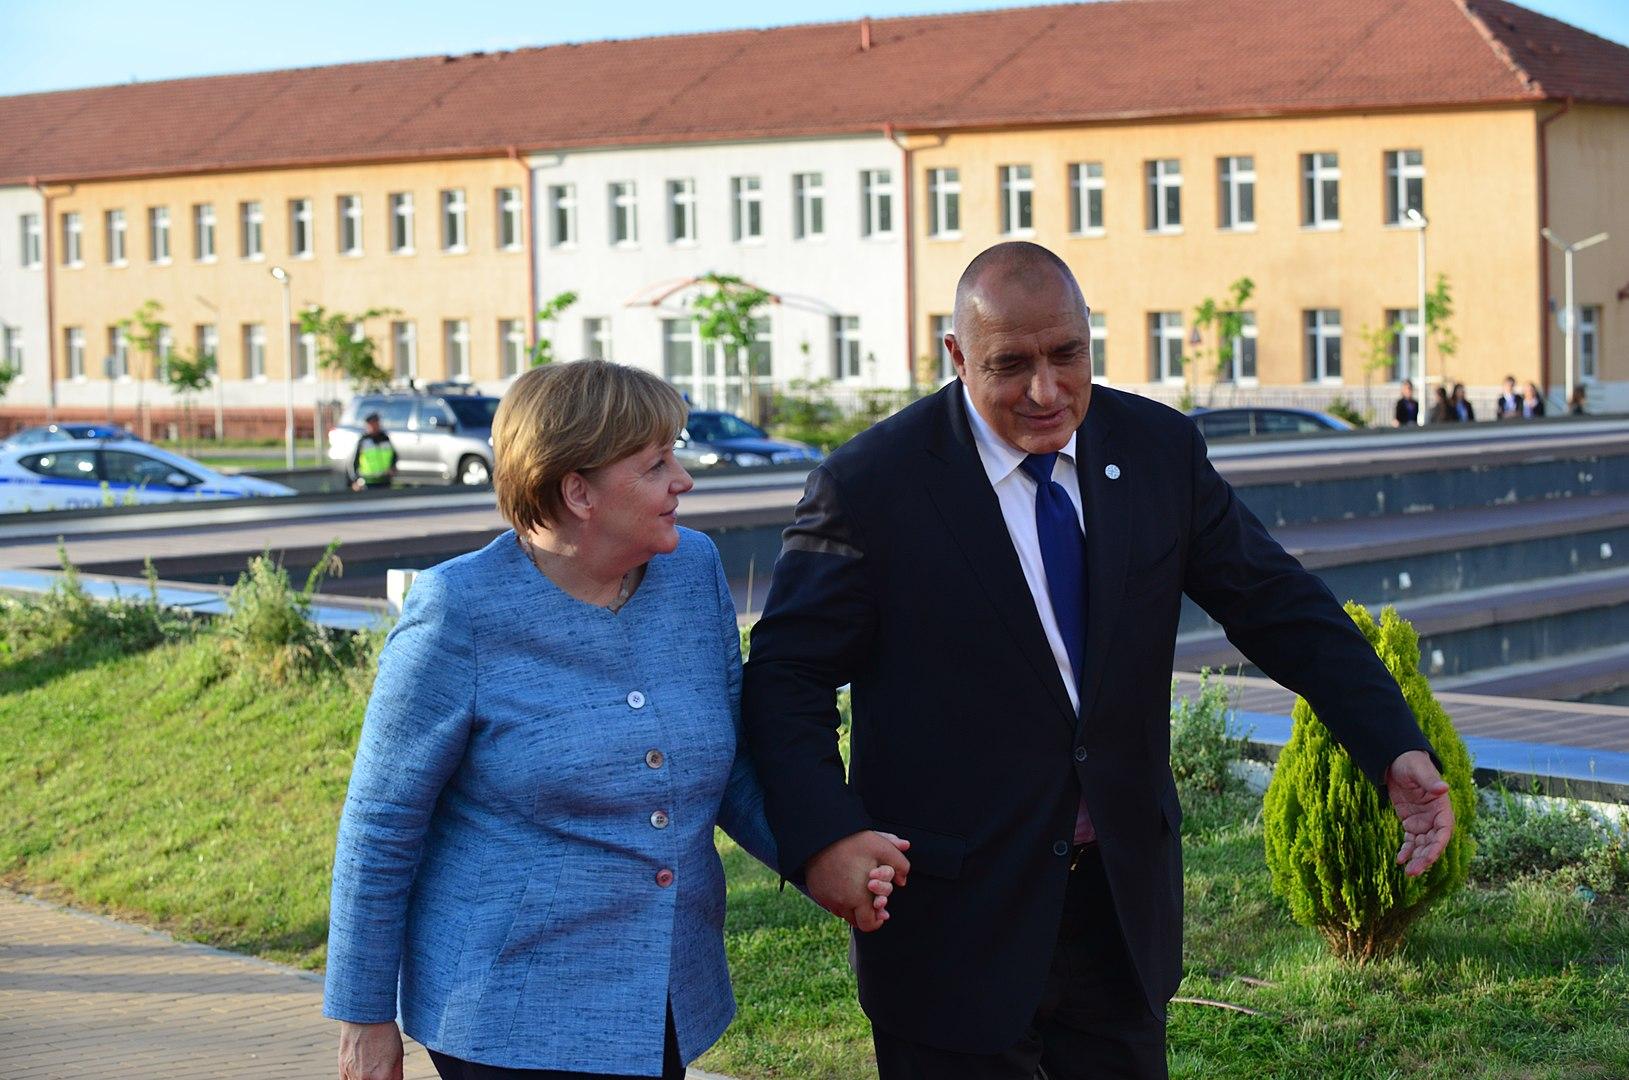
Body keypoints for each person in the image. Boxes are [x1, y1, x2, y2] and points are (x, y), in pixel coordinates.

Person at [742, 242, 1455, 1080]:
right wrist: (824, 836)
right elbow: (786, 678)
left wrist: (1389, 742)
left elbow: (1274, 603)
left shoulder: (1155, 448)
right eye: (1010, 365)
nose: (1045, 391)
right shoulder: (870, 485)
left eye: (1066, 355)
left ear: (1089, 337)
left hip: (1120, 909)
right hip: (953, 922)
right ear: (956, 356)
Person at [323, 361, 902, 1080]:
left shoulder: (691, 574)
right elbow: (382, 824)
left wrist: (819, 854)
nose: (683, 480)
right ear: (578, 491)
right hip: (506, 1009)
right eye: (656, 463)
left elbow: (726, 767)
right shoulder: (459, 611)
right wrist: (364, 1018)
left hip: (660, 997)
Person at [350, 412, 397, 491]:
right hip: (368, 482)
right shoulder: (363, 441)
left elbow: (394, 456)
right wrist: (355, 480)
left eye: (376, 423)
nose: (374, 426)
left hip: (385, 480)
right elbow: (354, 461)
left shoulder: (385, 439)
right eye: (371, 424)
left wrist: (392, 467)